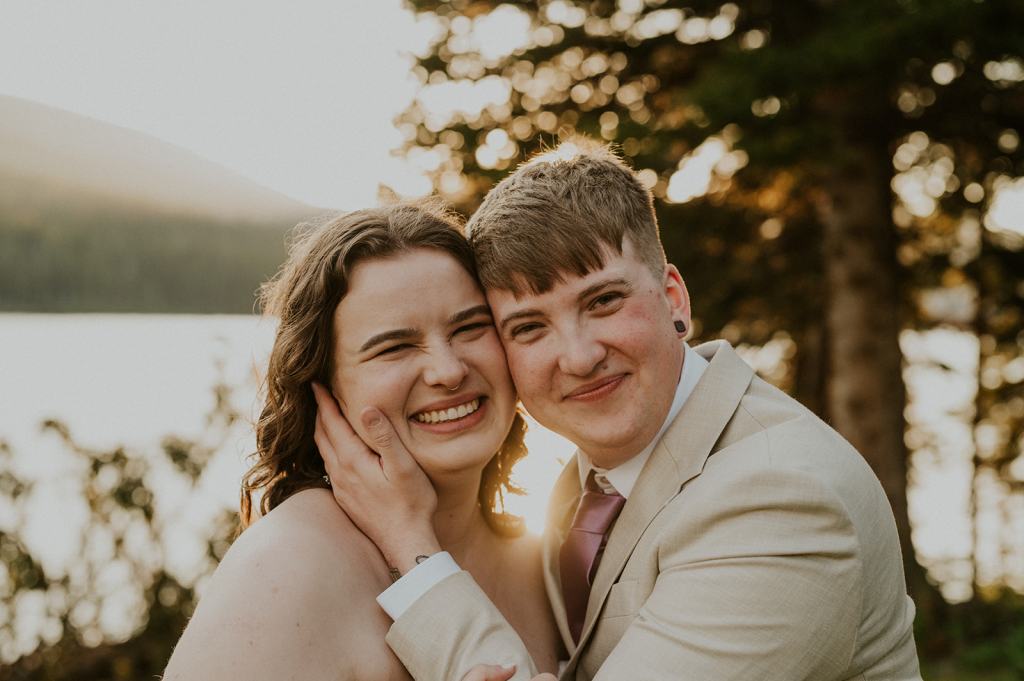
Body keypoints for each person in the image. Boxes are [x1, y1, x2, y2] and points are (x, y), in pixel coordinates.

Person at [315, 139, 923, 680]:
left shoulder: (780, 497)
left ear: (673, 297)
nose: (577, 358)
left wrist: (412, 548)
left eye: (603, 301)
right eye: (528, 327)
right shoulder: (586, 484)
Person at [162, 203, 561, 681]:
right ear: (324, 388)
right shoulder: (291, 563)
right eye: (394, 347)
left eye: (471, 327)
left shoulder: (547, 560)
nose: (449, 371)